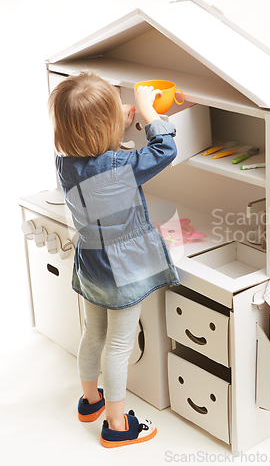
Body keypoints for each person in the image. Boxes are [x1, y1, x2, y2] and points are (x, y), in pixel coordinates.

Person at [48, 71, 180, 448]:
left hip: (90, 264)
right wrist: (147, 112)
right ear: (105, 128)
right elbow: (164, 151)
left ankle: (91, 401)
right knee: (120, 345)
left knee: (93, 334)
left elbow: (96, 152)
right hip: (122, 271)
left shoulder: (65, 162)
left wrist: (115, 122)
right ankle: (118, 425)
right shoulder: (119, 168)